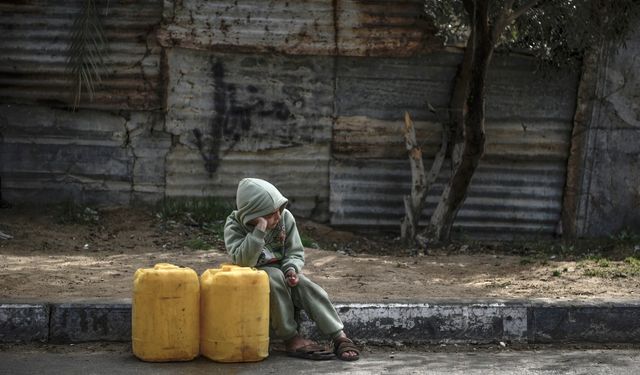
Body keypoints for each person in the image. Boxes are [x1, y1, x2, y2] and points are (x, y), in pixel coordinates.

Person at [224, 177, 360, 361]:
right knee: (272, 277)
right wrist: (260, 229)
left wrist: (291, 270)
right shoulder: (234, 226)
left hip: (283, 270)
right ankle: (290, 337)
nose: (278, 217)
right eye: (271, 214)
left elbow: (295, 252)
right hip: (255, 274)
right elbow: (244, 261)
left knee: (307, 286)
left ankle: (338, 335)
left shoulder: (285, 218)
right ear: (252, 215)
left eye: (279, 210)